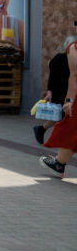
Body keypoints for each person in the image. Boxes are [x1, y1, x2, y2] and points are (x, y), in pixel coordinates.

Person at [40, 26, 77, 176]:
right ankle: (59, 164)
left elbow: (75, 76)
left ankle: (59, 164)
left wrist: (69, 100)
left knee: (69, 130)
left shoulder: (74, 48)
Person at [33, 35, 75, 144]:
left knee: (63, 116)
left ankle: (42, 129)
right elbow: (52, 77)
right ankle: (42, 129)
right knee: (62, 115)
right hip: (60, 92)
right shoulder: (58, 59)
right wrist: (49, 92)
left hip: (69, 91)